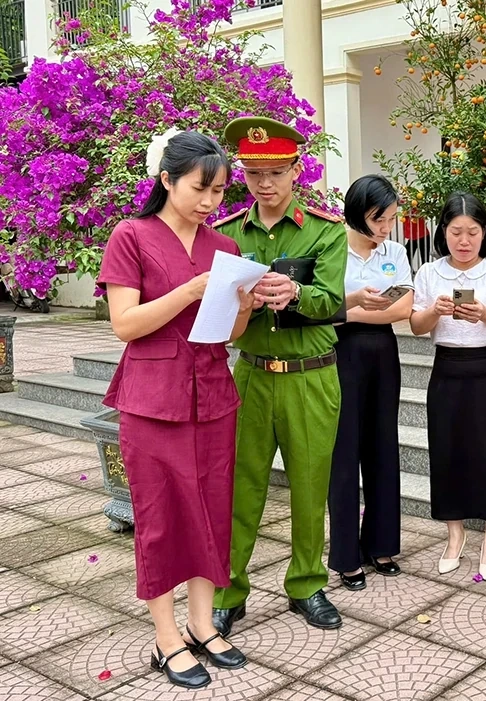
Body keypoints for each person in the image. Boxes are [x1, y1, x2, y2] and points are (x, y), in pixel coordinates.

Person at [99, 129, 253, 689]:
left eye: (219, 190)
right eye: (200, 188)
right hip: (150, 401)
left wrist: (245, 304)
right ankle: (166, 638)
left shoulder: (227, 248)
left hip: (213, 394)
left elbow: (231, 335)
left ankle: (202, 623)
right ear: (166, 179)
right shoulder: (131, 236)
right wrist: (188, 292)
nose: (212, 201)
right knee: (160, 518)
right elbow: (125, 325)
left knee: (213, 509)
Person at [211, 116, 348, 634]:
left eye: (274, 172)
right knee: (238, 487)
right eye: (252, 173)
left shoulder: (325, 231)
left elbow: (334, 301)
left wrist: (297, 294)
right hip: (247, 375)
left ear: (296, 170)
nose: (263, 184)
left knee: (311, 486)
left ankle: (307, 584)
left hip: (310, 377)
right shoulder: (223, 236)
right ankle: (228, 590)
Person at [410, 192, 486, 580]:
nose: (464, 240)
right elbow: (416, 326)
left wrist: (484, 313)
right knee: (447, 453)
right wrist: (433, 311)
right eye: (456, 232)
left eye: (472, 232)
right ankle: (454, 536)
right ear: (443, 232)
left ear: (484, 233)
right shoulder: (428, 272)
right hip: (446, 372)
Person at [328, 174, 413, 591]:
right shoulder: (331, 247)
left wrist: (356, 312)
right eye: (379, 220)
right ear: (357, 213)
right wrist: (355, 312)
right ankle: (345, 556)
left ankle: (381, 545)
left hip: (383, 354)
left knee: (382, 445)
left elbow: (403, 310)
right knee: (343, 452)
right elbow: (323, 309)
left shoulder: (395, 251)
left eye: (391, 219)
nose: (385, 229)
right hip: (338, 353)